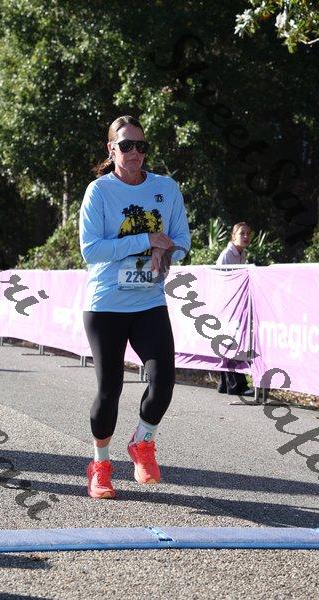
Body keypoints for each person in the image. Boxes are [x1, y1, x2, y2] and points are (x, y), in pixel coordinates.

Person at [79, 115, 191, 499]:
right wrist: (145, 240)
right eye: (126, 145)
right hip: (106, 304)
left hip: (148, 300)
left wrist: (169, 250)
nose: (134, 153)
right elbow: (91, 250)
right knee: (109, 389)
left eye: (141, 146)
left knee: (163, 382)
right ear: (111, 150)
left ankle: (142, 442)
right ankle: (100, 465)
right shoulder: (99, 191)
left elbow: (181, 239)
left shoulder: (166, 188)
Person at [216, 222, 254, 396]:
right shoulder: (226, 255)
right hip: (227, 307)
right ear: (233, 236)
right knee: (232, 344)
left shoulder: (242, 254)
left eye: (248, 233)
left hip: (238, 306)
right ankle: (236, 385)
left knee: (233, 343)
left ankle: (225, 384)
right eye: (242, 233)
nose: (246, 236)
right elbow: (220, 280)